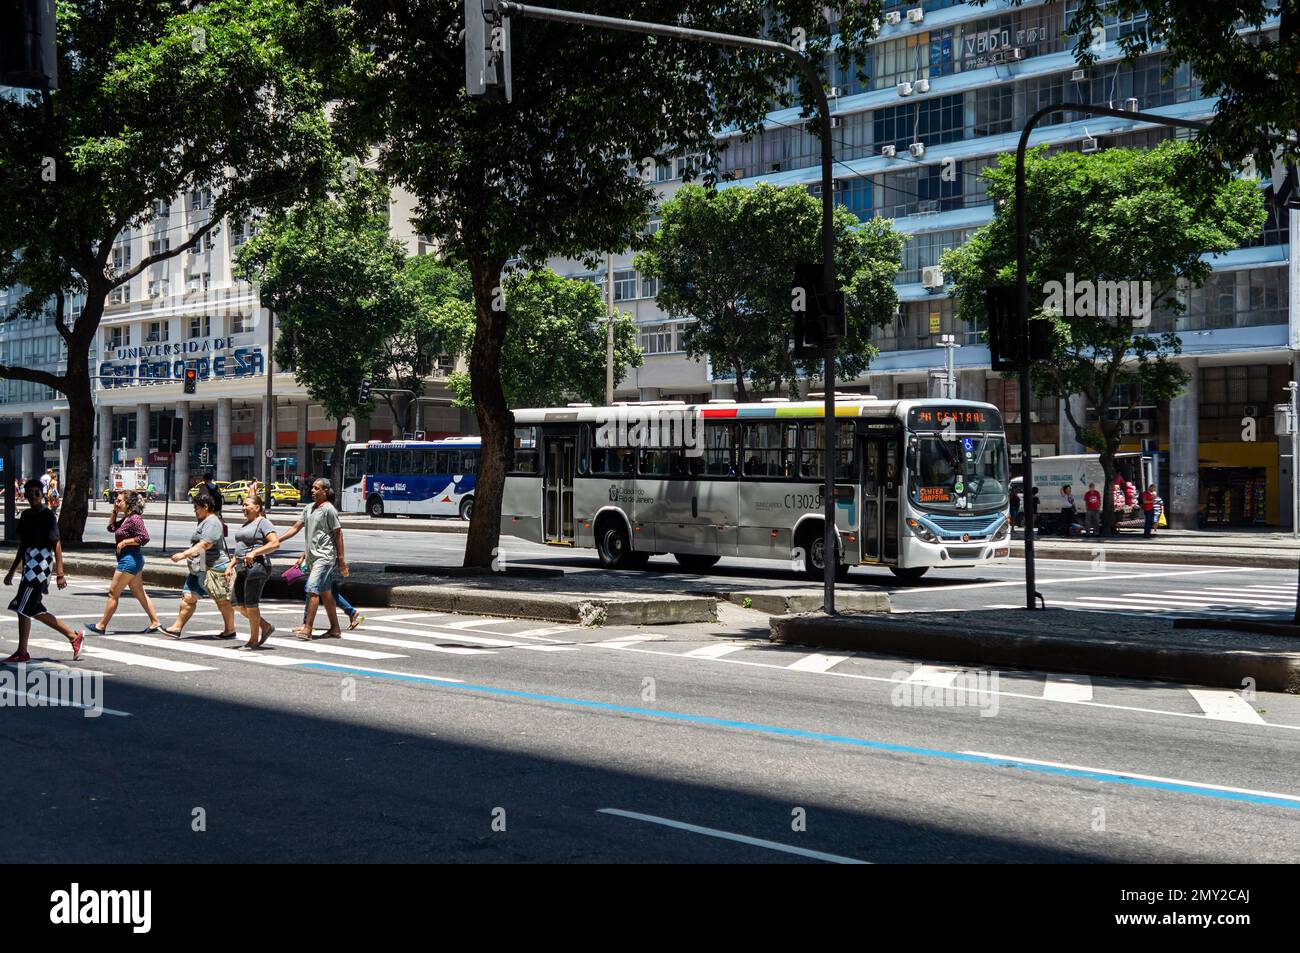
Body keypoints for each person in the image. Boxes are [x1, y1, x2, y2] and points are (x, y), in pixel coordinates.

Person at [3, 479, 83, 664]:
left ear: (42, 493)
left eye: (36, 493)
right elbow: (23, 546)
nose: (33, 496)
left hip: (41, 568)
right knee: (32, 608)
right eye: (29, 493)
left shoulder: (47, 516)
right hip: (28, 567)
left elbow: (57, 544)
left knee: (22, 607)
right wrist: (12, 571)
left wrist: (60, 574)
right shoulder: (25, 516)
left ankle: (23, 652)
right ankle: (72, 636)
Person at [278, 478, 348, 640]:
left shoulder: (329, 510)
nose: (313, 490)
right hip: (312, 557)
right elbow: (296, 528)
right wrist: (278, 540)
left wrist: (341, 560)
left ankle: (308, 628)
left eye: (317, 488)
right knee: (326, 593)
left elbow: (338, 534)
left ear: (325, 491)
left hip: (324, 557)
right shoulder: (309, 508)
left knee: (312, 588)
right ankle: (335, 628)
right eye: (313, 488)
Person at [84, 491, 162, 635]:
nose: (116, 503)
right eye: (116, 501)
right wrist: (114, 512)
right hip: (132, 560)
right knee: (140, 593)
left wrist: (126, 542)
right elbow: (111, 528)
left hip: (129, 560)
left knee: (113, 593)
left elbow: (144, 537)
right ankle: (155, 622)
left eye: (119, 501)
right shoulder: (126, 518)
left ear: (128, 503)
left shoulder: (135, 519)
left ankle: (101, 626)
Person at [161, 492, 236, 639]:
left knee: (222, 601)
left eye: (196, 507)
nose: (194, 510)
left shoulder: (213, 522)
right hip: (200, 566)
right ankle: (176, 628)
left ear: (205, 507)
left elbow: (205, 544)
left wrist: (184, 554)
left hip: (215, 568)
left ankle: (230, 629)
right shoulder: (204, 521)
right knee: (188, 597)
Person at [224, 493, 280, 650]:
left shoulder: (264, 523)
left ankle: (253, 640)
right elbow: (240, 549)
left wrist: (255, 552)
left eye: (247, 505)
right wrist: (230, 565)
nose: (244, 507)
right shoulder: (247, 524)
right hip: (242, 567)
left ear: (257, 507)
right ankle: (265, 626)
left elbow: (275, 543)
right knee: (236, 603)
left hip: (258, 566)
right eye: (243, 505)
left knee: (251, 605)